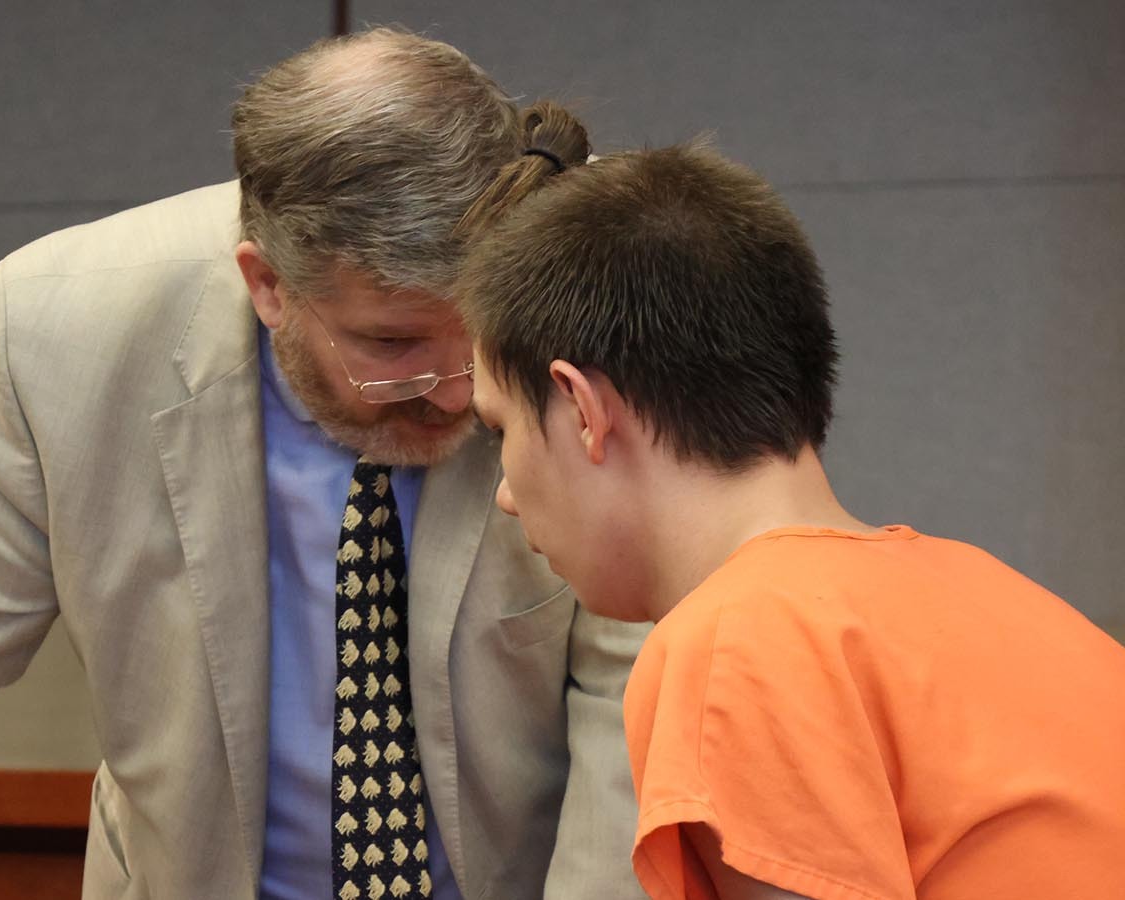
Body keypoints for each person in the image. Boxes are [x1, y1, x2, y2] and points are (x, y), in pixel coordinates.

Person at [0, 29, 650, 900]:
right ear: (266, 285)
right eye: (390, 345)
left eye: (475, 338)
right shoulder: (63, 332)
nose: (450, 391)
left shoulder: (614, 290)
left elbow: (642, 682)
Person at [457, 127, 1125, 899]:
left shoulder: (732, 645)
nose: (505, 493)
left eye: (500, 429)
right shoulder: (997, 596)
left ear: (582, 411)